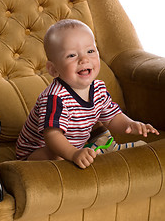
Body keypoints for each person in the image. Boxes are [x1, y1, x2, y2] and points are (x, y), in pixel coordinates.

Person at [16, 19, 159, 169]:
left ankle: (101, 148)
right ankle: (89, 153)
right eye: (71, 55)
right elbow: (52, 136)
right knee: (57, 156)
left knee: (99, 125)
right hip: (38, 151)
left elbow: (112, 118)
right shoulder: (55, 98)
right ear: (53, 69)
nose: (84, 59)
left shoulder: (98, 88)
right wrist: (73, 153)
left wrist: (130, 124)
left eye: (90, 51)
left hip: (75, 144)